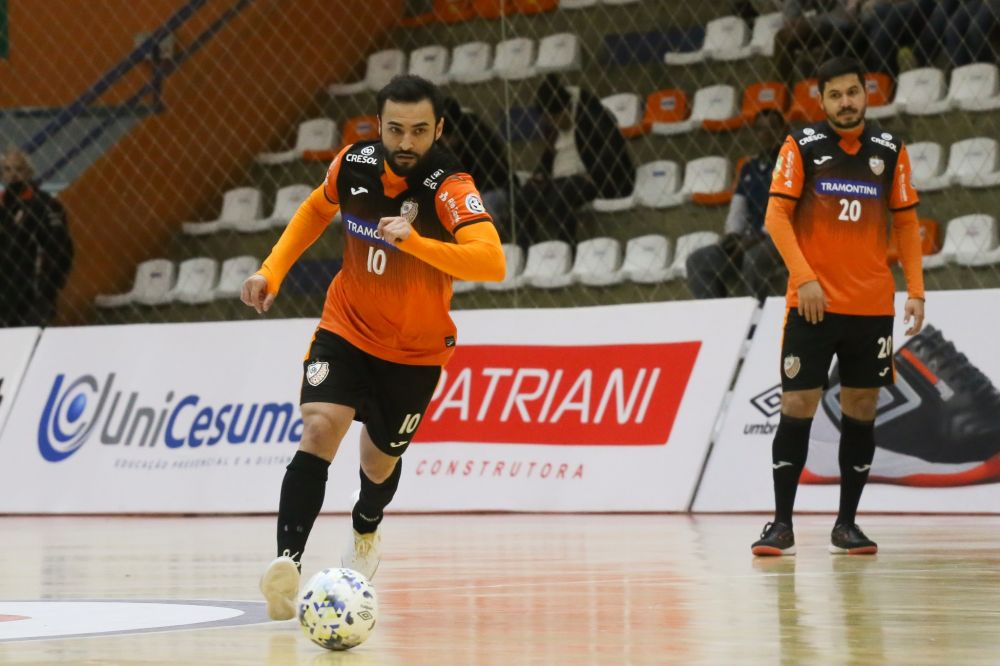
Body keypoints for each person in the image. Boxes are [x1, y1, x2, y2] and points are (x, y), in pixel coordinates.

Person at [241, 75, 505, 620]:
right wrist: (272, 270)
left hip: (414, 350)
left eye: (418, 131)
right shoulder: (354, 163)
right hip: (347, 327)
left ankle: (366, 528)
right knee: (318, 427)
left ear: (439, 129)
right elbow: (317, 208)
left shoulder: (449, 186)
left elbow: (492, 261)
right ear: (378, 126)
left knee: (378, 463)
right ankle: (286, 566)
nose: (406, 142)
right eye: (395, 129)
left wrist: (420, 243)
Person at [751, 56, 925, 557]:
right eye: (835, 95)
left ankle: (846, 524)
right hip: (812, 306)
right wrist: (803, 278)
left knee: (862, 409)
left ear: (866, 93)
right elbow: (776, 217)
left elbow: (908, 224)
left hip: (871, 307)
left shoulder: (890, 150)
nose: (846, 102)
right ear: (821, 100)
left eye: (853, 92)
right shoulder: (801, 146)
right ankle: (781, 524)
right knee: (797, 406)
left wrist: (915, 290)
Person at [517, 74, 635, 249]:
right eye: (549, 120)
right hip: (558, 177)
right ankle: (527, 252)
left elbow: (612, 147)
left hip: (589, 177)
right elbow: (549, 154)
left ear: (565, 108)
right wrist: (540, 173)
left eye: (555, 118)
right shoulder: (551, 126)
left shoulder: (590, 113)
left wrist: (595, 174)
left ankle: (566, 249)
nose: (553, 124)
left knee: (559, 196)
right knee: (523, 197)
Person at [686, 109, 789, 302]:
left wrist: (754, 239)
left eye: (772, 128)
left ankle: (756, 316)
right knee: (699, 260)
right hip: (751, 238)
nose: (766, 134)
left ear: (784, 130)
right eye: (760, 129)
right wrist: (733, 236)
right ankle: (715, 316)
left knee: (753, 258)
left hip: (784, 237)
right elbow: (738, 209)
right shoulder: (749, 168)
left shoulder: (794, 165)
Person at [0, 147, 74, 327]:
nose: (13, 175)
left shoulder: (45, 205)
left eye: (19, 169)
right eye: (8, 169)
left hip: (31, 293)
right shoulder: (2, 205)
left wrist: (47, 291)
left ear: (30, 172)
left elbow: (61, 250)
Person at [441, 96, 513, 240]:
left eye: (451, 137)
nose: (448, 143)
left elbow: (493, 175)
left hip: (491, 190)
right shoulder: (438, 141)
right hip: (461, 194)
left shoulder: (478, 136)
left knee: (478, 210)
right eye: (445, 138)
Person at [774, 1, 861, 83]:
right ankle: (781, 92)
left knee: (839, 35)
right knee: (782, 37)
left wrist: (809, 22)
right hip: (819, 24)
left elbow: (846, 16)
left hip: (846, 24)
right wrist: (792, 21)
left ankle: (824, 87)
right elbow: (792, 7)